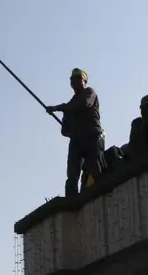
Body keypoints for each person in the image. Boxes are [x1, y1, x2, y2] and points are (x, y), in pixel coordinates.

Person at [45, 68, 105, 198]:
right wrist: (67, 122)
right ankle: (71, 200)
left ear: (84, 80)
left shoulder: (89, 92)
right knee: (72, 173)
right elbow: (65, 131)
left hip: (92, 136)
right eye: (72, 79)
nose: (74, 81)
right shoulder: (70, 105)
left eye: (78, 78)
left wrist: (58, 108)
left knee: (94, 167)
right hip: (77, 140)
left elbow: (83, 104)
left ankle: (98, 194)